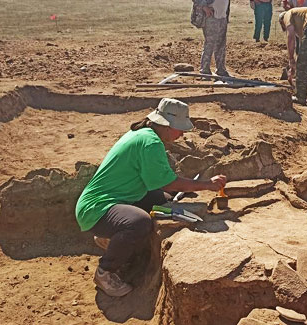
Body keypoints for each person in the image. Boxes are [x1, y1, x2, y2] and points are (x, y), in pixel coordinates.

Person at [75, 98, 227, 297]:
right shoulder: (150, 142)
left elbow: (159, 182)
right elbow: (169, 181)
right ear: (165, 125)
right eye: (179, 128)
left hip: (120, 196)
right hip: (96, 208)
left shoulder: (143, 134)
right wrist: (206, 185)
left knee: (162, 199)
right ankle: (105, 271)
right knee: (139, 223)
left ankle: (113, 238)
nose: (182, 134)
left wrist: (184, 186)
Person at [189, 0, 237, 77]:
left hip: (222, 17)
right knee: (210, 43)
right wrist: (204, 6)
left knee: (221, 44)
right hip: (211, 18)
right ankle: (204, 70)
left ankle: (220, 69)